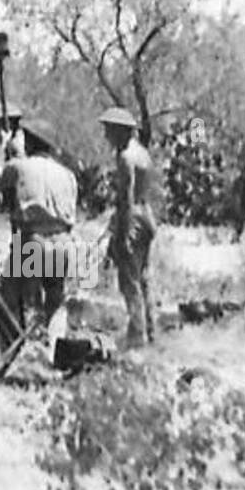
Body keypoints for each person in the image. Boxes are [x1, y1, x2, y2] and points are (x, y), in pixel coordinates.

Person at [1, 117, 78, 331]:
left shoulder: (17, 167)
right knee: (56, 298)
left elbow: (6, 201)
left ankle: (13, 344)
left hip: (34, 241)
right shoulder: (68, 175)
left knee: (11, 295)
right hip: (63, 243)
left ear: (29, 142)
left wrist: (8, 154)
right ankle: (55, 347)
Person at [99, 106, 158, 348]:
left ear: (120, 131)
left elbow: (126, 197)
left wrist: (121, 235)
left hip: (133, 218)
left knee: (129, 282)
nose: (106, 136)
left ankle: (137, 338)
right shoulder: (143, 153)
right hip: (148, 217)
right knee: (143, 279)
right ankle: (150, 330)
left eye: (109, 130)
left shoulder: (125, 156)